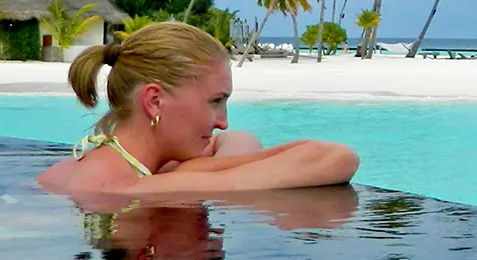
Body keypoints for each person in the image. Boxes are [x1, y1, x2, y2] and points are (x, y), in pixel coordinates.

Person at [37, 21, 358, 194]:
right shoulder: (122, 188)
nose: (223, 122)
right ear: (155, 101)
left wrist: (200, 168)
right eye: (215, 101)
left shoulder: (116, 164)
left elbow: (240, 139)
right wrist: (196, 174)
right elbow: (335, 158)